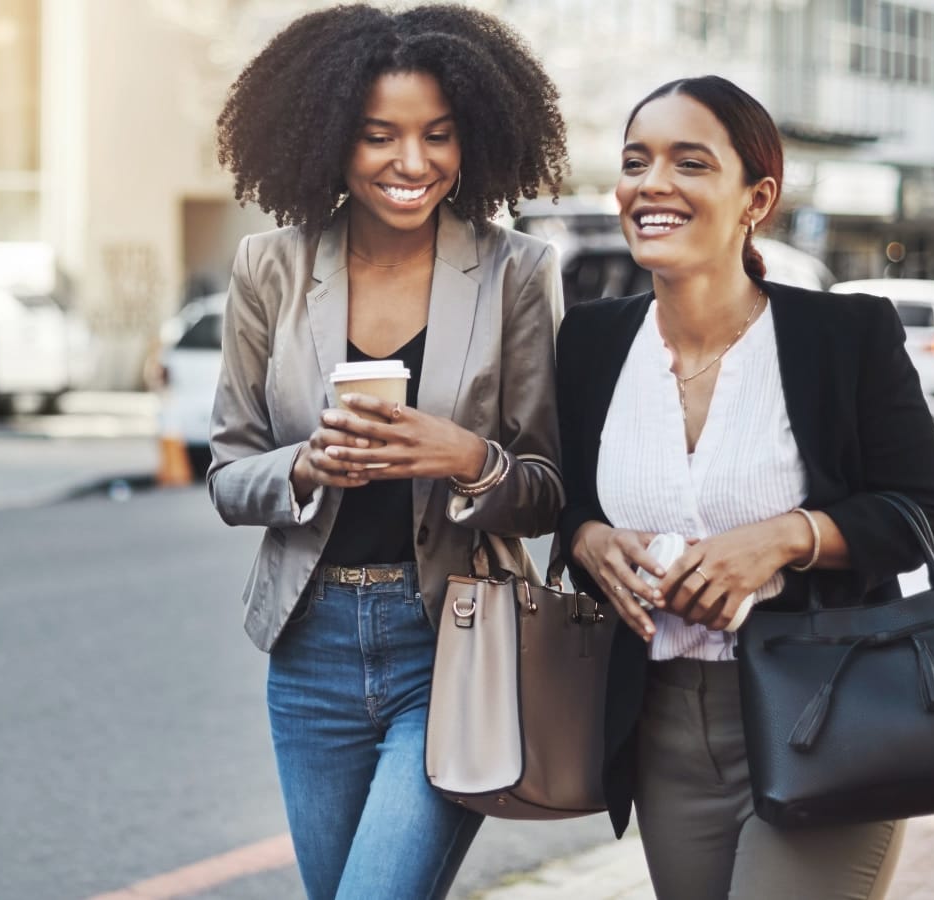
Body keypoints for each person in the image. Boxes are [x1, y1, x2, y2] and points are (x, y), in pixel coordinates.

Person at [554, 76, 934, 900]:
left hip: (829, 706)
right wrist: (588, 540)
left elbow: (921, 513)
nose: (652, 184)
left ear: (755, 197)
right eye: (637, 162)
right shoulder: (590, 342)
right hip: (661, 721)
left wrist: (781, 538)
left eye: (689, 163)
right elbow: (566, 501)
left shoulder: (845, 337)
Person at [206, 6, 568, 897]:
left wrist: (466, 457)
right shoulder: (269, 267)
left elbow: (551, 488)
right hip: (310, 645)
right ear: (331, 138)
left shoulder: (518, 271)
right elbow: (227, 472)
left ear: (471, 140)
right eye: (379, 137)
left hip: (453, 637)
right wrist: (303, 466)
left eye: (437, 136)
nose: (412, 164)